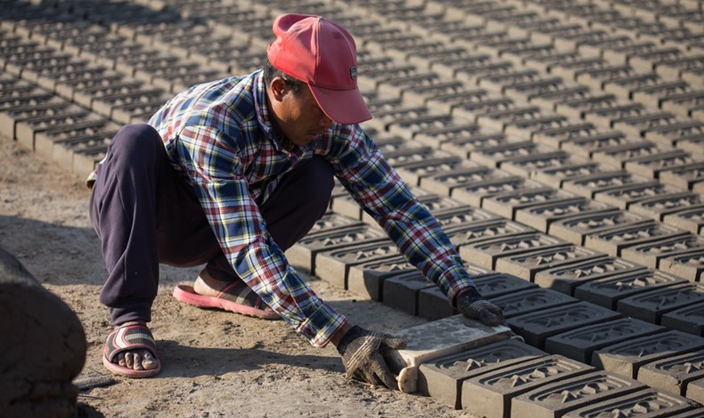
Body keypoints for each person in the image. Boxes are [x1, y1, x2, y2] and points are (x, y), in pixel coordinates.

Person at [87, 13, 505, 389]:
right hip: (152, 219)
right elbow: (249, 245)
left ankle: (220, 282)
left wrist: (460, 288)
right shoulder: (216, 125)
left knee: (316, 174)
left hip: (222, 222)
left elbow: (396, 205)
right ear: (280, 88)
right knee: (134, 140)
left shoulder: (327, 126)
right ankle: (129, 318)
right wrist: (342, 335)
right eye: (322, 107)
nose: (330, 120)